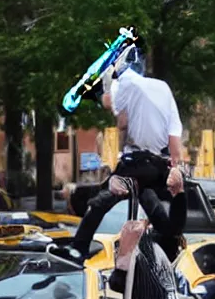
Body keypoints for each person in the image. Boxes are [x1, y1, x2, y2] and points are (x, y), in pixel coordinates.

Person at [71, 45, 185, 258]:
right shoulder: (163, 88)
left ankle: (78, 248)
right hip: (159, 165)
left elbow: (121, 121)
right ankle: (170, 248)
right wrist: (175, 170)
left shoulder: (126, 84)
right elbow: (175, 141)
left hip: (135, 162)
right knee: (151, 205)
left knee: (100, 202)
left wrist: (96, 90)